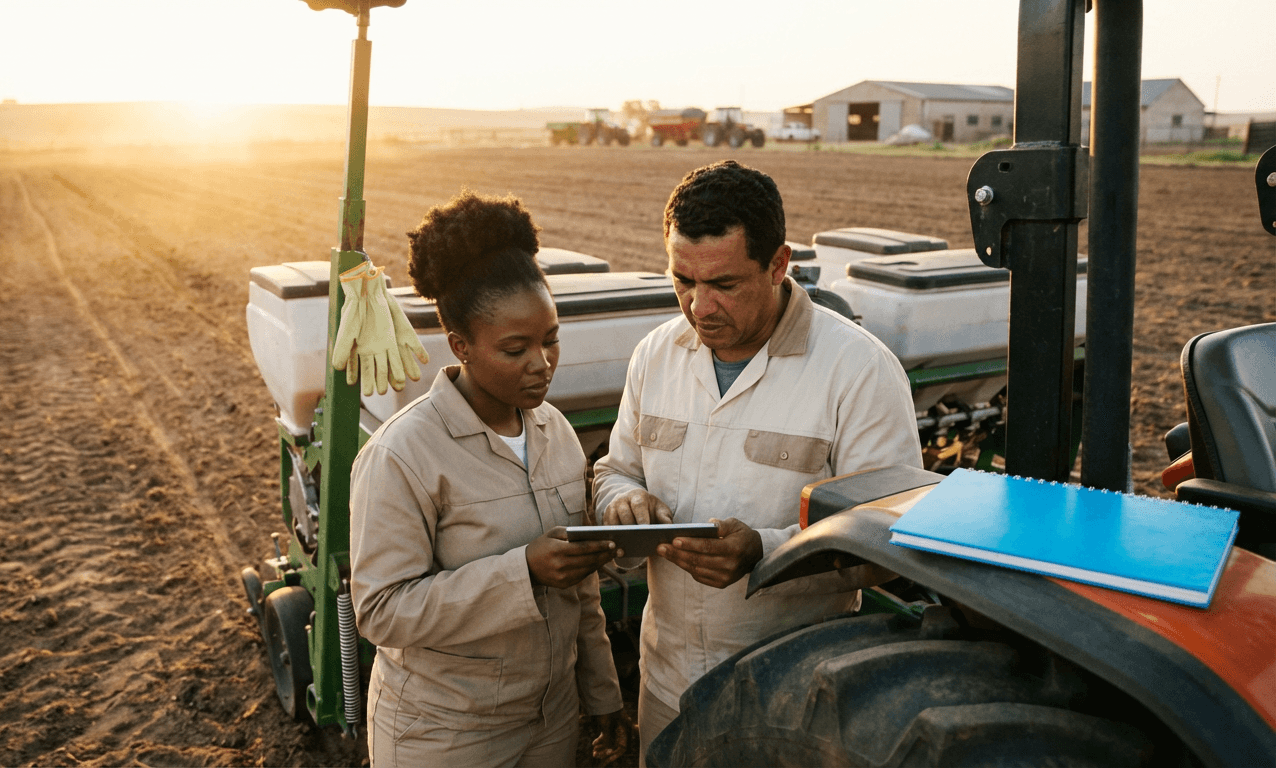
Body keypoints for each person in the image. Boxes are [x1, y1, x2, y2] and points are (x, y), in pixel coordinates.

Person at [591, 160, 922, 761]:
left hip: (792, 700)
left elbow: (888, 540)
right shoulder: (655, 356)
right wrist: (622, 499)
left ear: (778, 264)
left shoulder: (858, 371)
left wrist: (764, 553)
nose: (699, 307)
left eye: (724, 284)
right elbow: (617, 468)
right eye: (682, 281)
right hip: (667, 686)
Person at [349, 190, 631, 767]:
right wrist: (522, 571)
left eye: (550, 339)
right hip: (445, 734)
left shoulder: (556, 432)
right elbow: (381, 611)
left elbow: (579, 589)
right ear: (461, 346)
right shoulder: (403, 454)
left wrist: (601, 694)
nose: (542, 363)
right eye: (515, 348)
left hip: (549, 722)